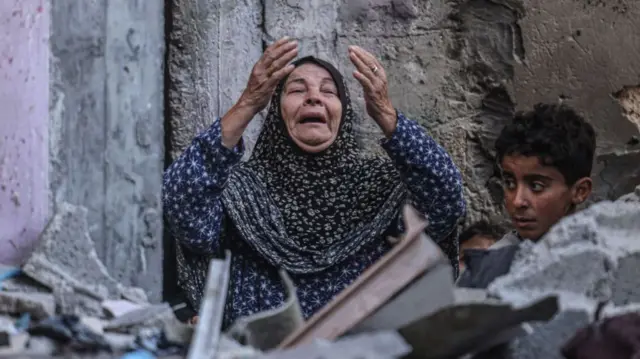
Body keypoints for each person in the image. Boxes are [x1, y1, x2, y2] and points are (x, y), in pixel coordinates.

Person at [163, 37, 466, 328]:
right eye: (297, 90)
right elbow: (183, 207)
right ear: (275, 113)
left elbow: (446, 202)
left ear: (344, 112)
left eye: (328, 91)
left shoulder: (379, 187)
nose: (314, 97)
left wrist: (386, 114)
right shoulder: (240, 190)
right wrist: (248, 103)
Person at [457, 103, 596, 288]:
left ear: (580, 191)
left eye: (537, 186)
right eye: (510, 183)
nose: (517, 201)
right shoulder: (487, 275)